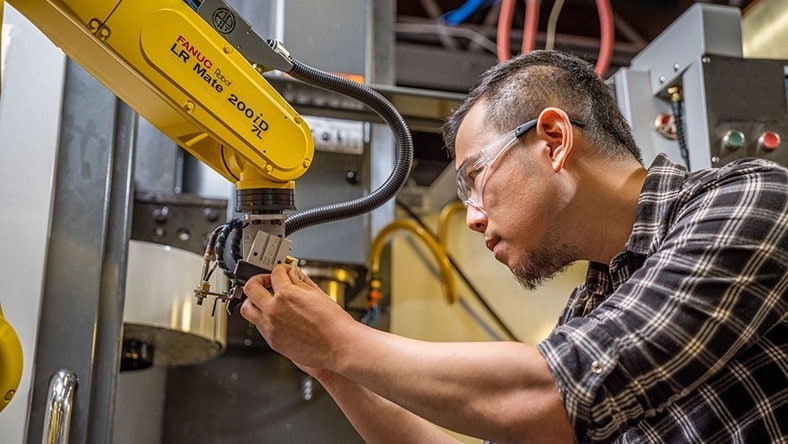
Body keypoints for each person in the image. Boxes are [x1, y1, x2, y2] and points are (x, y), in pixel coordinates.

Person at [240, 50, 788, 443]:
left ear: (554, 140)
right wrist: (331, 365)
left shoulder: (752, 199)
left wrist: (340, 340)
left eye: (475, 178)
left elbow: (549, 396)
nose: (473, 217)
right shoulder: (592, 308)